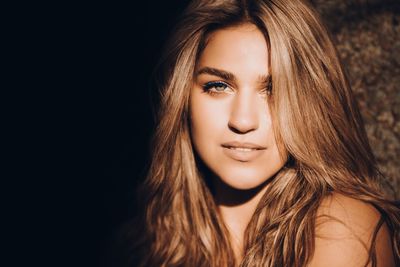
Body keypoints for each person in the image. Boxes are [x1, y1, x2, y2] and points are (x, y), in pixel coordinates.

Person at [126, 0, 400, 266]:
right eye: (218, 86)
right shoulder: (156, 236)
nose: (243, 121)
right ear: (182, 97)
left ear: (311, 103)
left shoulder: (345, 226)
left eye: (273, 90)